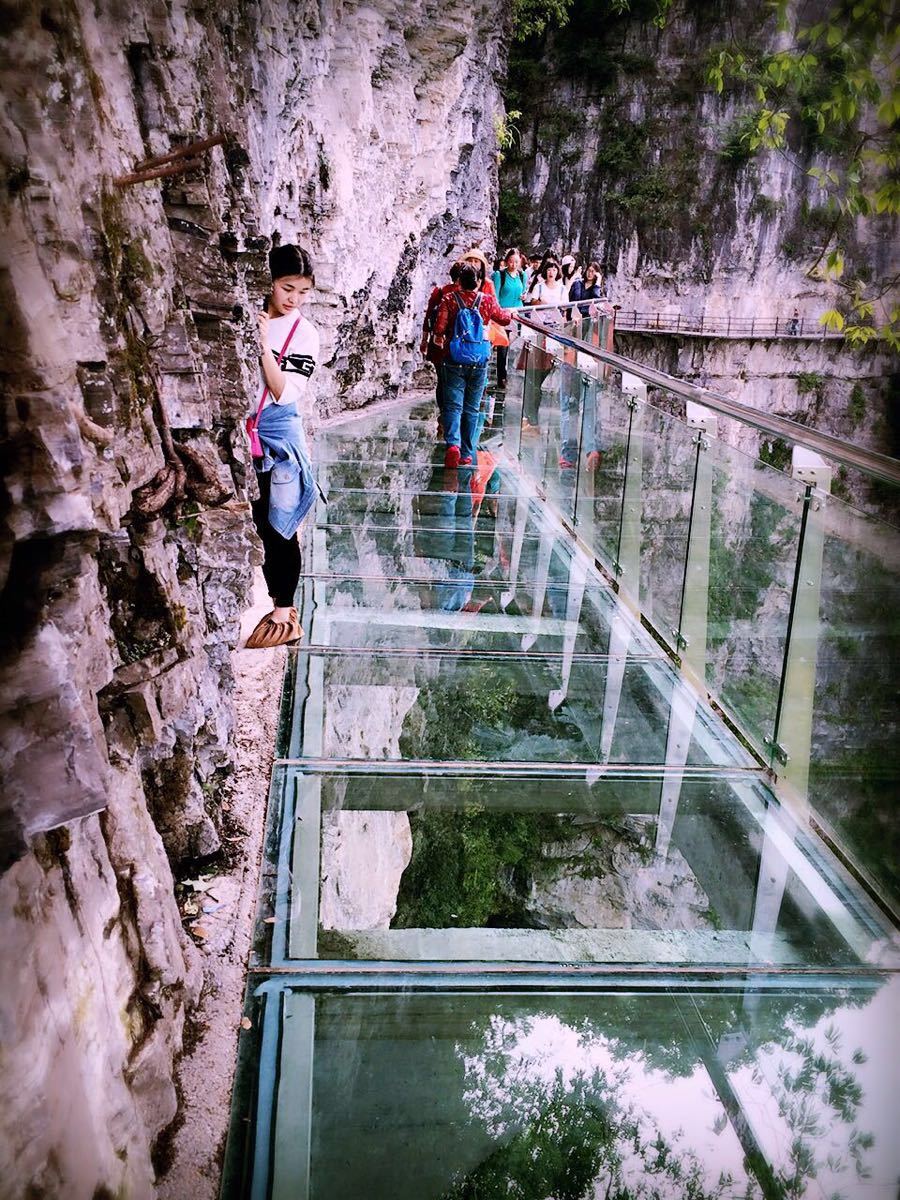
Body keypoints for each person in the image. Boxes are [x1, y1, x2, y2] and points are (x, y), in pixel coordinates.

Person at [244, 243, 320, 649]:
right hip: (247, 432)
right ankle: (279, 609)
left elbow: (283, 391)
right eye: (287, 288)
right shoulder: (249, 313)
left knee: (281, 524)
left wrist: (261, 346)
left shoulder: (304, 333)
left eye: (303, 292)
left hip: (281, 437)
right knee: (258, 520)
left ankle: (284, 613)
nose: (294, 299)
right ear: (270, 282)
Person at [433, 263, 512, 467]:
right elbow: (503, 319)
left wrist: (441, 336)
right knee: (472, 407)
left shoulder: (449, 299)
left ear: (459, 282)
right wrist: (511, 313)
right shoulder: (486, 301)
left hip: (454, 358)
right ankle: (467, 453)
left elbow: (439, 328)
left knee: (452, 404)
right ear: (478, 282)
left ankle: (453, 445)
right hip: (479, 360)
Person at [522, 259, 566, 433]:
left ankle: (532, 418)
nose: (551, 272)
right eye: (549, 269)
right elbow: (532, 304)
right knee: (534, 377)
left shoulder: (562, 289)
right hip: (538, 334)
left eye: (554, 269)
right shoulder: (539, 286)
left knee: (543, 375)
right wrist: (541, 303)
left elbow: (563, 310)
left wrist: (544, 303)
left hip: (553, 334)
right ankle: (530, 418)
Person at [421, 261, 463, 436]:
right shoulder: (464, 295)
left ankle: (444, 417)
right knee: (455, 382)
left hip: (438, 345)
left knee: (442, 381)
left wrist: (424, 340)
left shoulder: (439, 292)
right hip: (458, 345)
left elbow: (428, 317)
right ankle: (451, 417)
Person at [491, 247, 527, 387]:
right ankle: (502, 376)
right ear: (506, 262)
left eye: (516, 262)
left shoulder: (522, 275)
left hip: (517, 313)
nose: (514, 265)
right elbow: (496, 296)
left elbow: (523, 291)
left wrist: (523, 296)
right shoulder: (500, 275)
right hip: (503, 314)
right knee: (503, 345)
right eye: (511, 262)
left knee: (514, 345)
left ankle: (512, 373)